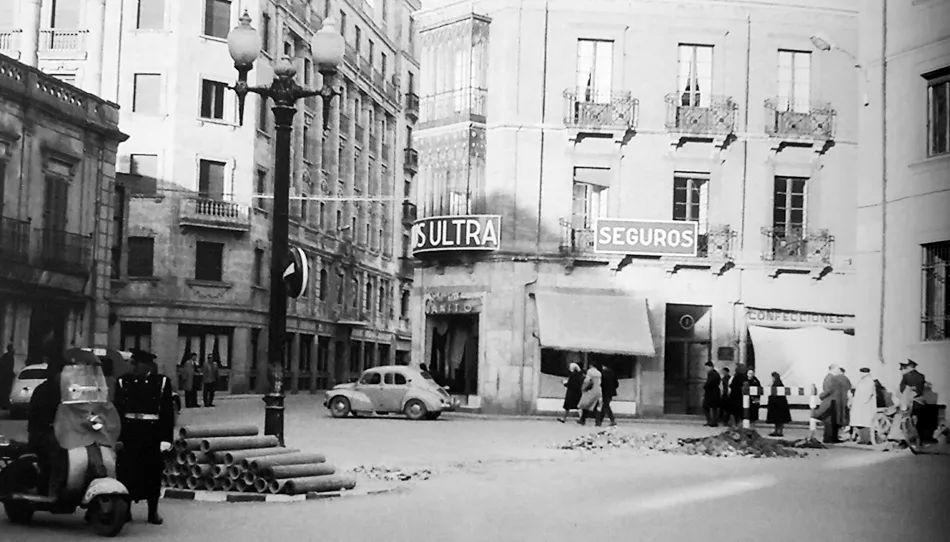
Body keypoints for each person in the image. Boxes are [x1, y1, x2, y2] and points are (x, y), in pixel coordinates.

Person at [115, 349, 175, 525]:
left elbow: (166, 413)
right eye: (131, 363)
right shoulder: (123, 381)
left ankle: (152, 511)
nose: (132, 367)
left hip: (151, 434)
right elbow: (118, 411)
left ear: (146, 365)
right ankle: (125, 511)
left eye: (136, 363)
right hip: (129, 433)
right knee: (126, 473)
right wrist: (117, 436)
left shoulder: (161, 382)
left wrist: (166, 439)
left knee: (152, 473)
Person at [26, 355, 65, 495]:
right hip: (43, 433)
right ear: (55, 373)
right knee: (59, 452)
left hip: (63, 432)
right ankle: (52, 488)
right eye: (62, 372)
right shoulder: (43, 391)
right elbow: (36, 416)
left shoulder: (68, 391)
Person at [816, 364, 843, 443]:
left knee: (831, 421)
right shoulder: (830, 378)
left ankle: (831, 438)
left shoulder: (831, 377)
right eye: (837, 369)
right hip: (830, 402)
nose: (838, 370)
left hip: (831, 401)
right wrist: (821, 396)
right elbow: (828, 390)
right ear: (833, 369)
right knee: (829, 421)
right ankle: (829, 438)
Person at [850, 367, 876, 445]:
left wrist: (860, 402)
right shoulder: (863, 381)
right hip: (860, 405)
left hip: (864, 405)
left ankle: (866, 440)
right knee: (860, 423)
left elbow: (867, 395)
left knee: (864, 423)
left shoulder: (868, 382)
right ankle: (863, 439)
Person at [765, 372, 792, 437]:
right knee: (778, 419)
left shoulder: (777, 384)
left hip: (778, 404)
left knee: (779, 419)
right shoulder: (778, 384)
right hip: (778, 404)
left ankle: (779, 431)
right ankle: (777, 430)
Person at [598, 362, 618, 427]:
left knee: (606, 406)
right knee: (605, 406)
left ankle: (612, 420)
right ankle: (599, 421)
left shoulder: (603, 374)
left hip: (605, 392)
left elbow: (601, 383)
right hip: (611, 392)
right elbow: (616, 383)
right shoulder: (612, 373)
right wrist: (613, 389)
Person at [702, 361, 721, 427]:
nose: (706, 369)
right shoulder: (715, 373)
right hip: (714, 393)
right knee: (714, 408)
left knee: (706, 406)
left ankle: (711, 421)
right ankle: (713, 421)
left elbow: (709, 383)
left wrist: (704, 386)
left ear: (710, 367)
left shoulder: (712, 374)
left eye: (706, 367)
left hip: (711, 393)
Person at [0, 344, 14, 409]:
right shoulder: (8, 357)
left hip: (6, 377)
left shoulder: (6, 357)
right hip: (5, 377)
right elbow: (7, 368)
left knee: (5, 391)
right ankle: (4, 404)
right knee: (5, 391)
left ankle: (5, 404)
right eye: (12, 348)